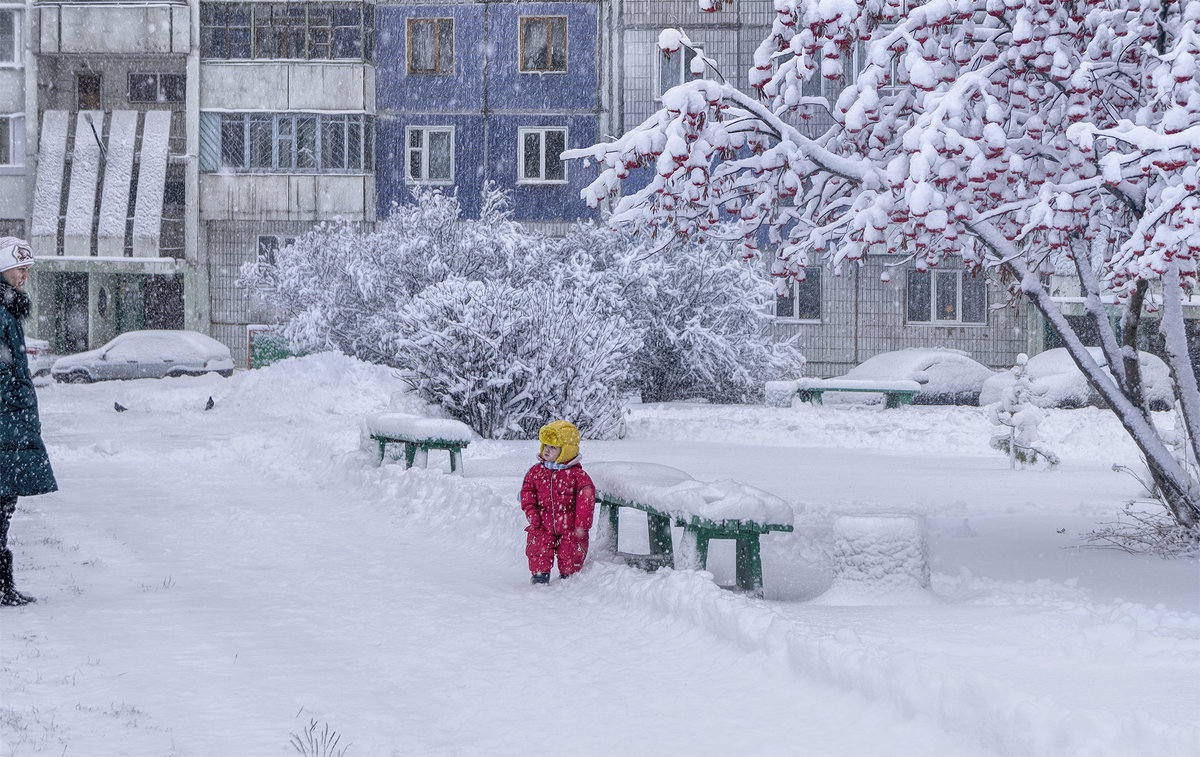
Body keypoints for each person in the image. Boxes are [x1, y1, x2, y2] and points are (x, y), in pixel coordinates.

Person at [0, 237, 57, 606]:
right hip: (5, 424)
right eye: (20, 268)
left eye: (28, 270)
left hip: (10, 425)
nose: (25, 276)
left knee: (4, 507)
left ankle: (4, 585)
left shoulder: (8, 311)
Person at [520, 420, 595, 584]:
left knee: (570, 550)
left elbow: (586, 499)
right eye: (545, 445)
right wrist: (531, 513)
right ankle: (540, 575)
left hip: (569, 526)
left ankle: (569, 577)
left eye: (553, 447)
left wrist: (581, 525)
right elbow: (527, 492)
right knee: (538, 548)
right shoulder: (536, 472)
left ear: (566, 450)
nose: (547, 450)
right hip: (542, 524)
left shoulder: (577, 475)